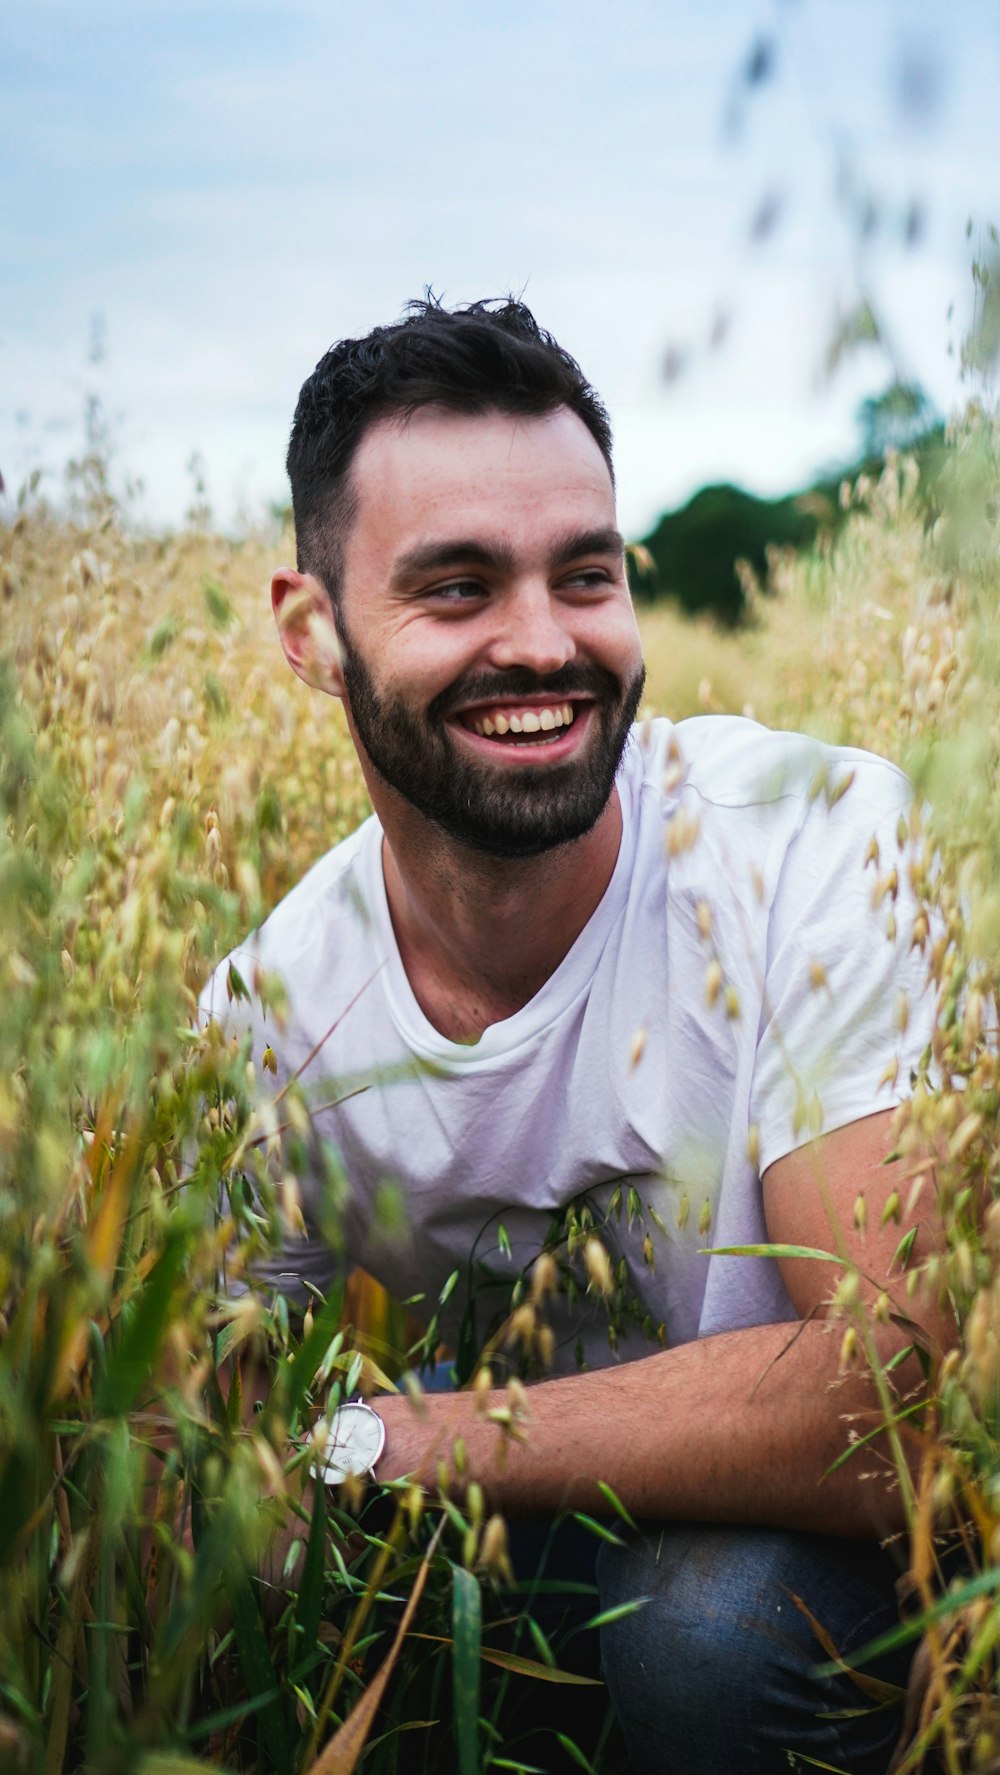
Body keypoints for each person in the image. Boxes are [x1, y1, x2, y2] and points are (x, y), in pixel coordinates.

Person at [202, 297, 952, 1774]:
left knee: (704, 1625)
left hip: (823, 1567)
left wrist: (414, 1440)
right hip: (508, 1564)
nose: (544, 645)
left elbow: (899, 1400)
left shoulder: (814, 840)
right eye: (458, 588)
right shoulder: (274, 1014)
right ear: (312, 632)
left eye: (586, 575)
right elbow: (208, 1460)